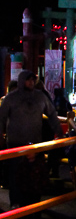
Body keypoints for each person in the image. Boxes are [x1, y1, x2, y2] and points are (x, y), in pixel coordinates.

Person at [0, 70, 64, 207]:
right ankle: (16, 203)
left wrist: (58, 131)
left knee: (34, 177)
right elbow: (1, 118)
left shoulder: (40, 97)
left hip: (35, 143)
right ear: (22, 81)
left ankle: (33, 205)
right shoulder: (11, 98)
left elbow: (52, 114)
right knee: (15, 175)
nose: (31, 82)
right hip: (15, 143)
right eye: (28, 80)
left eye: (32, 80)